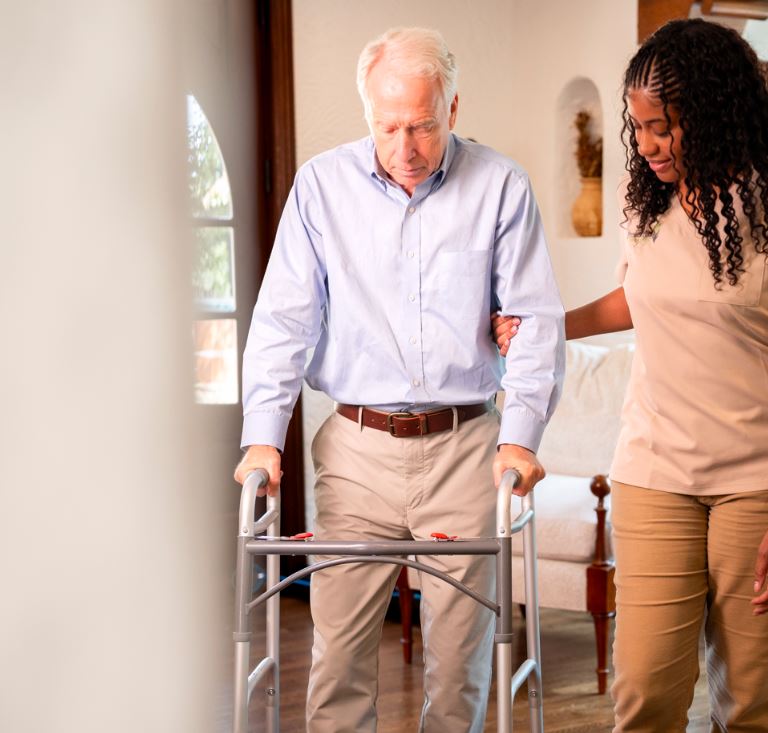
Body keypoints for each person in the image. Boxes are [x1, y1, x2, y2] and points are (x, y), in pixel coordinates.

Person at [495, 18, 768, 732]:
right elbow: (634, 298)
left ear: (714, 111)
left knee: (747, 703)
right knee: (643, 695)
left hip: (765, 479)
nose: (647, 146)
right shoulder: (649, 203)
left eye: (661, 127)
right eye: (638, 128)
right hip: (655, 469)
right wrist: (543, 322)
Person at [234, 27, 564, 733]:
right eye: (388, 127)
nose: (405, 147)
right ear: (367, 115)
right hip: (357, 447)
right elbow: (283, 318)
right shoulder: (321, 187)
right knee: (339, 662)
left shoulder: (500, 185)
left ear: (452, 108)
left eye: (421, 125)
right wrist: (262, 434)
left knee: (459, 666)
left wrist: (521, 433)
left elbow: (534, 319)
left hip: (465, 444)